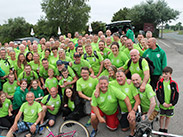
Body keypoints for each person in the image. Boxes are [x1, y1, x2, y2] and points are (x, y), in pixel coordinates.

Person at [110, 71, 140, 137]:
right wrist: (97, 89)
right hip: (123, 110)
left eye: (121, 76)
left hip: (133, 108)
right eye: (117, 77)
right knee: (124, 128)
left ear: (125, 77)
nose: (119, 78)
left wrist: (133, 111)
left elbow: (138, 100)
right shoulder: (114, 83)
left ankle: (132, 133)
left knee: (131, 120)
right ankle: (132, 124)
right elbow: (102, 82)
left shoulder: (130, 84)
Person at [156, 66, 179, 135]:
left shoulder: (174, 83)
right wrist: (162, 103)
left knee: (168, 117)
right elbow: (158, 94)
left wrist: (172, 103)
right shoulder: (159, 83)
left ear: (170, 74)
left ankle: (165, 129)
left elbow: (177, 94)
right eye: (163, 73)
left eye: (166, 74)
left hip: (170, 105)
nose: (164, 75)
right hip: (163, 104)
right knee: (162, 116)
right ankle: (161, 128)